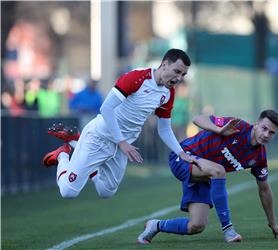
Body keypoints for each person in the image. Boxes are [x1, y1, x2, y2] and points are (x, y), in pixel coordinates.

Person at [42, 48, 195, 199]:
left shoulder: (169, 93)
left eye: (183, 74)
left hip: (123, 146)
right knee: (68, 192)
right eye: (177, 71)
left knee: (106, 192)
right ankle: (62, 155)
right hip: (100, 137)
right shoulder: (137, 78)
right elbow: (106, 109)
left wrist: (181, 153)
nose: (179, 78)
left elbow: (164, 129)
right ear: (164, 64)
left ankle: (87, 160)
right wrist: (121, 142)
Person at [137, 109, 278, 243]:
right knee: (219, 170)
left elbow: (264, 190)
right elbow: (197, 119)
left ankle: (155, 225)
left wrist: (272, 222)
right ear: (256, 124)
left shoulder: (259, 158)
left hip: (204, 173)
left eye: (271, 132)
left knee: (196, 225)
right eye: (264, 128)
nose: (266, 135)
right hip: (183, 156)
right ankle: (228, 230)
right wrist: (219, 130)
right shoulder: (237, 126)